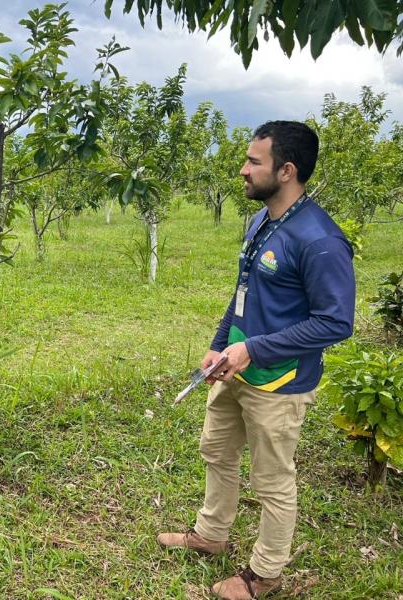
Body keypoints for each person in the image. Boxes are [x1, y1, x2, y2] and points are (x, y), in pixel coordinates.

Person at [157, 121, 355, 599]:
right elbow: (244, 289)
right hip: (235, 367)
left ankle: (264, 573)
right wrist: (220, 340)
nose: (242, 170)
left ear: (286, 171)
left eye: (253, 162)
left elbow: (336, 323)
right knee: (217, 453)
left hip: (279, 382)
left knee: (272, 482)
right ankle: (211, 536)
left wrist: (255, 349)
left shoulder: (320, 240)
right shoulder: (262, 220)